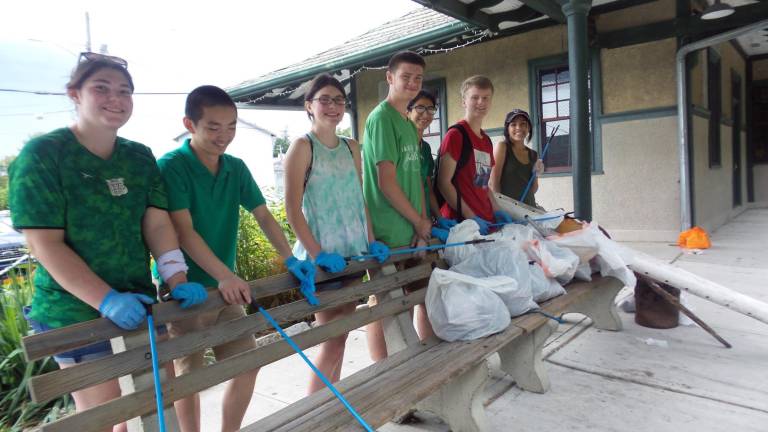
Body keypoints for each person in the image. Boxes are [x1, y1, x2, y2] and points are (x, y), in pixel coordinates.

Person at [8, 53, 206, 432]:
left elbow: (158, 224)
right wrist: (105, 299)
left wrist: (175, 278)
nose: (115, 98)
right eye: (101, 88)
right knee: (104, 415)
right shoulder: (43, 156)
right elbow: (44, 244)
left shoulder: (138, 157)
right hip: (75, 312)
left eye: (125, 91)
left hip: (139, 304)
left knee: (155, 403)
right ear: (74, 94)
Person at [157, 85, 314, 432]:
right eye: (213, 127)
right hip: (185, 290)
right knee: (188, 378)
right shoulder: (172, 166)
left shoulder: (235, 168)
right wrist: (225, 276)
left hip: (226, 289)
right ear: (189, 124)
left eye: (231, 127)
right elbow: (183, 232)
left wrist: (290, 259)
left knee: (248, 360)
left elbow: (264, 216)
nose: (223, 136)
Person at [283, 73, 389, 394]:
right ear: (309, 106)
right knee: (331, 341)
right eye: (324, 100)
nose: (332, 106)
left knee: (340, 340)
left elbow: (360, 200)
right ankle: (316, 413)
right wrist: (318, 256)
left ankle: (332, 405)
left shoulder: (351, 146)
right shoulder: (302, 147)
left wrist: (371, 240)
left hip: (353, 256)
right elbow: (292, 210)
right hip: (323, 263)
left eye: (339, 100)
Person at [362, 51, 432, 361]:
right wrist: (418, 222)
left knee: (423, 296)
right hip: (388, 232)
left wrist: (424, 223)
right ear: (390, 78)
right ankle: (383, 369)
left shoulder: (408, 123)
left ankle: (430, 360)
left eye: (418, 78)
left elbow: (415, 177)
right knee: (386, 307)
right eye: (406, 76)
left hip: (414, 230)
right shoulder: (381, 118)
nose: (413, 83)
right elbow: (385, 182)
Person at [436, 75, 513, 236]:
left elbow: (483, 184)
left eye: (486, 98)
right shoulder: (456, 135)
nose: (481, 102)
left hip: (487, 223)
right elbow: (443, 183)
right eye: (475, 97)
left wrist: (497, 210)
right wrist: (472, 218)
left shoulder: (486, 140)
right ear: (464, 101)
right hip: (463, 226)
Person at [489, 109, 545, 207]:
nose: (518, 128)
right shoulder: (502, 147)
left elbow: (533, 190)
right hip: (509, 210)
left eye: (523, 124)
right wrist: (499, 209)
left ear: (528, 128)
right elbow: (494, 184)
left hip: (529, 208)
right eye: (513, 124)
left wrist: (535, 174)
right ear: (507, 128)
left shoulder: (533, 154)